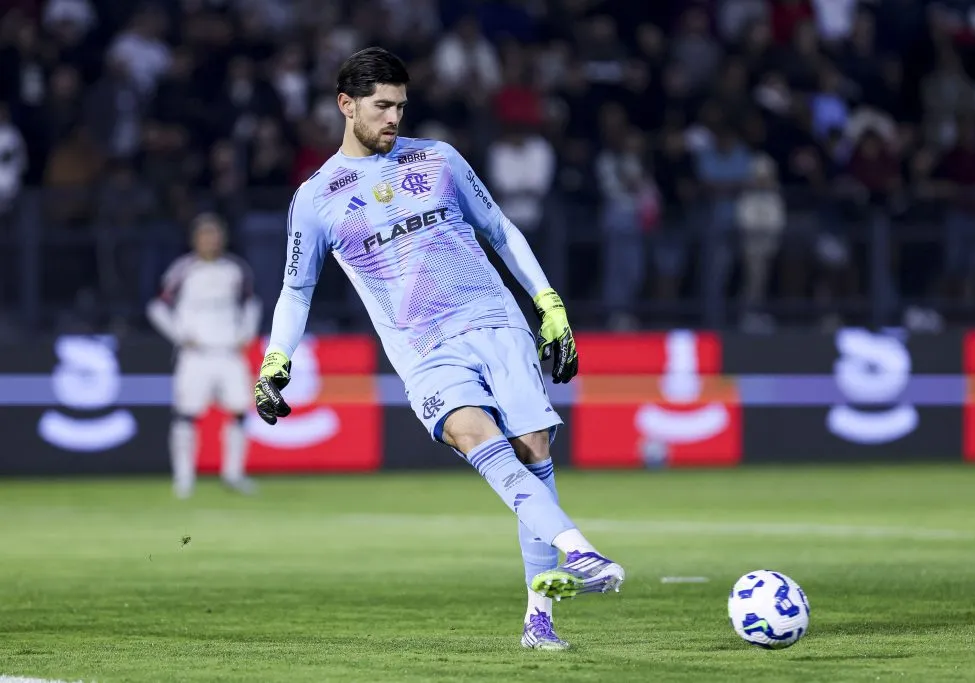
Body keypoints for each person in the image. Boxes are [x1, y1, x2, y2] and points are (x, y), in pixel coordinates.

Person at [252, 47, 625, 650]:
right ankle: (578, 550)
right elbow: (296, 291)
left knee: (532, 448)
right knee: (475, 435)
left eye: (401, 106)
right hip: (425, 349)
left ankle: (540, 621)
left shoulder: (440, 159)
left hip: (497, 324)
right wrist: (277, 359)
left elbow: (500, 230)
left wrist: (549, 304)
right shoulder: (316, 197)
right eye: (381, 107)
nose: (394, 118)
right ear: (346, 106)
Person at [147, 213, 261, 498]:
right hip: (195, 355)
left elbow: (251, 303)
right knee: (186, 414)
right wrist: (180, 335)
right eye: (204, 235)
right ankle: (184, 478)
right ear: (195, 239)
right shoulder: (183, 270)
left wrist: (246, 333)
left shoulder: (235, 269)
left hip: (228, 351)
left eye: (214, 234)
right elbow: (158, 307)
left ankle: (233, 475)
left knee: (238, 411)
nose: (210, 240)